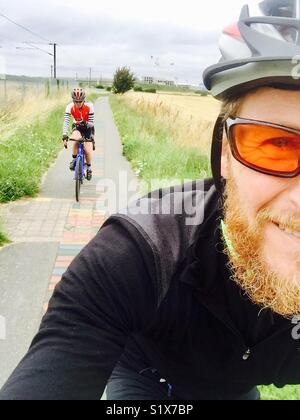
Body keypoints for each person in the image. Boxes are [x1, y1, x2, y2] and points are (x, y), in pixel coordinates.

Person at [1, 0, 300, 401]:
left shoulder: (87, 107)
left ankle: (87, 165)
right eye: (276, 145)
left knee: (86, 147)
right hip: (146, 376)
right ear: (225, 155)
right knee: (79, 142)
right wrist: (74, 136)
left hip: (235, 389)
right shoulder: (140, 251)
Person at [62, 87, 95, 181]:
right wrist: (64, 136)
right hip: (77, 126)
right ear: (73, 100)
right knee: (75, 139)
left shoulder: (90, 106)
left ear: (84, 100)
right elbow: (66, 122)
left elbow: (92, 122)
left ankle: (88, 168)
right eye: (75, 101)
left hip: (88, 127)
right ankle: (75, 159)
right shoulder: (69, 107)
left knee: (88, 150)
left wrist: (87, 124)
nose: (78, 103)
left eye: (80, 101)